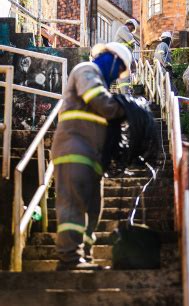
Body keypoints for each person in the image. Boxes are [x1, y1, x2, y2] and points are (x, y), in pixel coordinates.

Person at [51, 42, 132, 271]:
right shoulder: (86, 70)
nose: (117, 75)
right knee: (73, 205)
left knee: (93, 209)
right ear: (112, 58)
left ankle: (83, 257)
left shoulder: (104, 84)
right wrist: (129, 108)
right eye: (119, 69)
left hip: (92, 158)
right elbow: (103, 104)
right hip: (73, 151)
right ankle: (69, 259)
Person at [114, 19, 138, 94]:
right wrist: (133, 44)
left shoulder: (124, 34)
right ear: (130, 25)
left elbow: (129, 50)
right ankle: (126, 96)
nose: (131, 31)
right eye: (132, 29)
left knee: (123, 80)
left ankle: (124, 97)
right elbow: (131, 41)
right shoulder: (123, 29)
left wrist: (133, 62)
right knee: (124, 80)